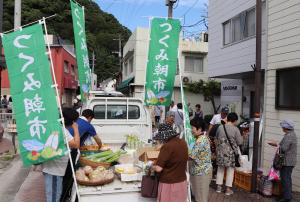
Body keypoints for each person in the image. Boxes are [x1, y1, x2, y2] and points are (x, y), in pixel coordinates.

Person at [61, 109, 102, 201]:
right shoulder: (88, 125)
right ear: (90, 118)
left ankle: (64, 194)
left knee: (64, 174)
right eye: (91, 119)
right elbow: (98, 140)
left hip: (63, 149)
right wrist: (100, 148)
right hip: (72, 149)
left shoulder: (75, 120)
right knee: (69, 174)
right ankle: (64, 195)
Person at [43, 108, 80, 202]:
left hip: (54, 169)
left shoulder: (59, 128)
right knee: (54, 197)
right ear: (72, 121)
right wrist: (76, 129)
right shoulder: (62, 131)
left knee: (55, 195)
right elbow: (76, 144)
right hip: (54, 171)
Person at [152, 123, 189, 202]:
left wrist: (151, 166)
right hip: (182, 181)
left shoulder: (167, 146)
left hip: (169, 183)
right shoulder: (183, 142)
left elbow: (158, 169)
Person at [215, 112, 243, 196]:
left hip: (220, 152)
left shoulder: (220, 127)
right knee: (230, 170)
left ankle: (219, 187)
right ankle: (227, 189)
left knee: (220, 169)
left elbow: (216, 137)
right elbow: (240, 142)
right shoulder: (235, 129)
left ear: (228, 118)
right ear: (234, 120)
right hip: (231, 153)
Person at [268, 120, 297, 202]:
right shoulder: (290, 134)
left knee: (286, 179)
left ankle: (287, 198)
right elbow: (282, 146)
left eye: (283, 126)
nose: (282, 128)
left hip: (287, 162)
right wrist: (276, 144)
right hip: (288, 161)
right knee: (287, 178)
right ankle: (286, 195)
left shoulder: (289, 136)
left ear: (286, 127)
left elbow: (283, 148)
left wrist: (275, 144)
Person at [189, 118, 212, 202]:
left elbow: (191, 156)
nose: (192, 130)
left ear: (199, 129)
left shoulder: (200, 141)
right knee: (200, 197)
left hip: (201, 173)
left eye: (193, 128)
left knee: (201, 198)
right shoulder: (202, 138)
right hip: (203, 171)